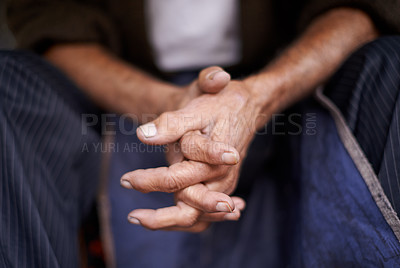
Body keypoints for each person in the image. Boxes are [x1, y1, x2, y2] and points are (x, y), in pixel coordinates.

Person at [3, 0, 400, 267]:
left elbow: (360, 8)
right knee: (9, 82)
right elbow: (50, 20)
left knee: (392, 65)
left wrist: (256, 98)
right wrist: (172, 106)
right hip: (117, 100)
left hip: (287, 93)